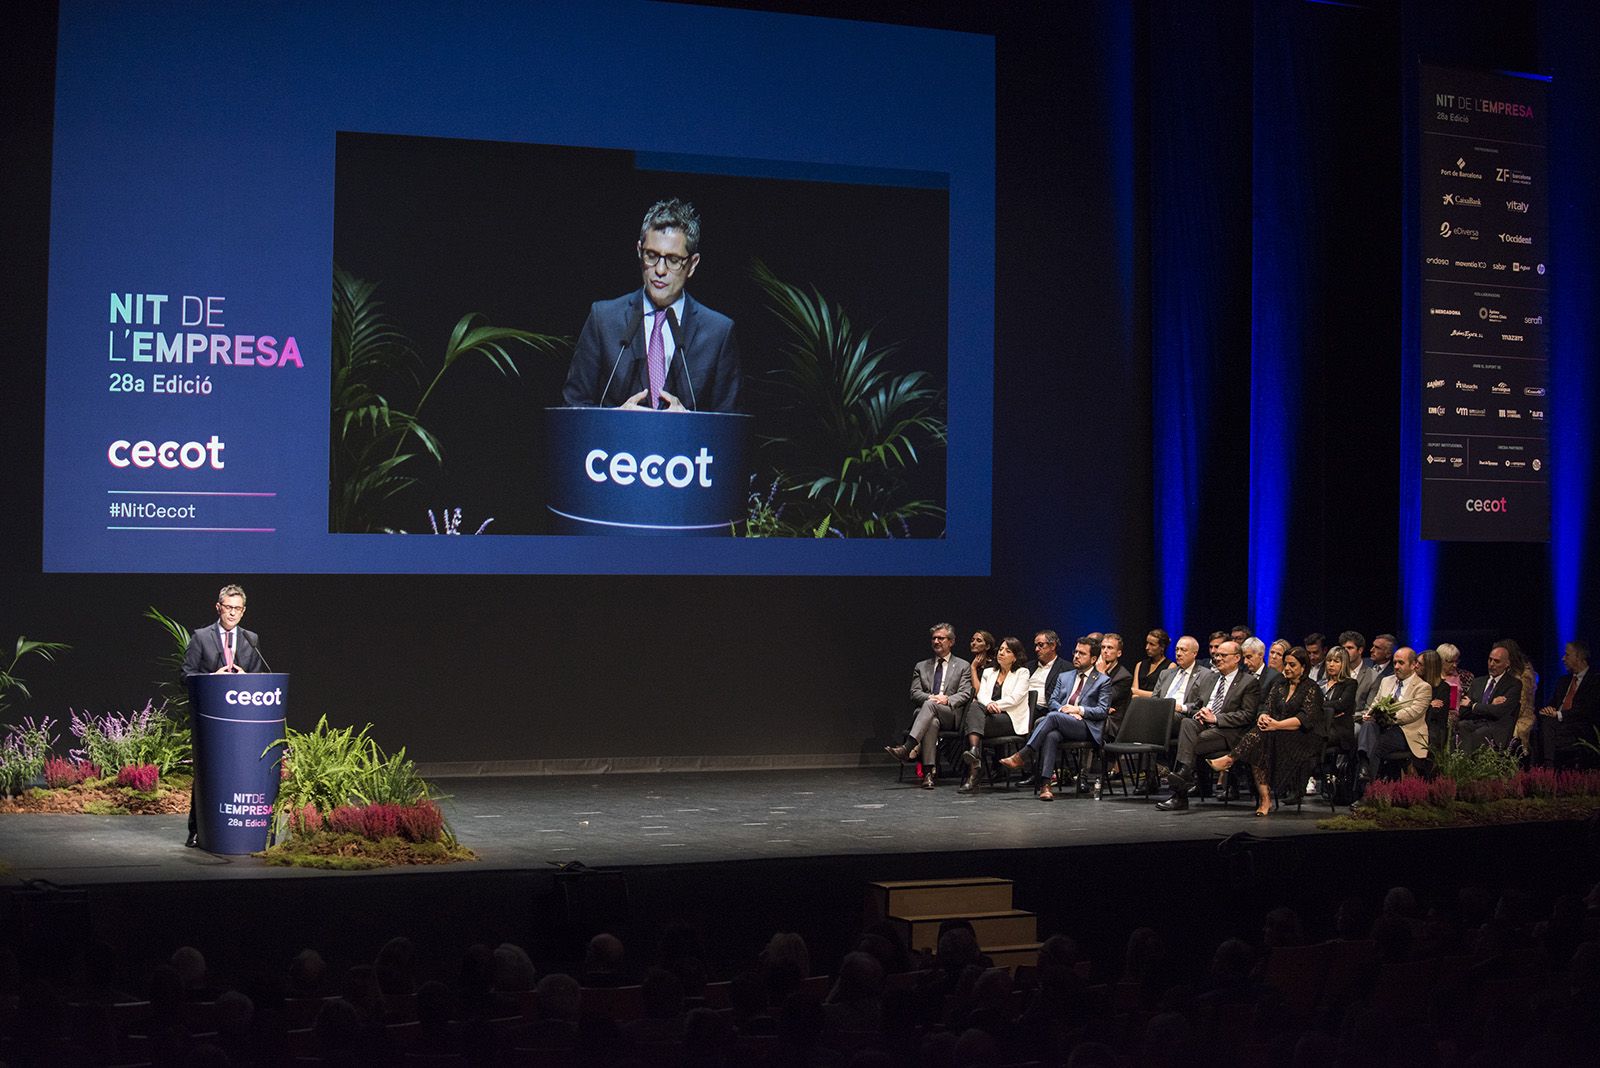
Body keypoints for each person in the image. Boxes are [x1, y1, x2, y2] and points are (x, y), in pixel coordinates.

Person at [561, 198, 741, 412]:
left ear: (692, 265)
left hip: (685, 446)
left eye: (674, 260)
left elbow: (731, 428)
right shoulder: (604, 319)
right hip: (615, 445)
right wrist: (615, 419)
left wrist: (690, 425)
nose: (660, 270)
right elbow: (572, 407)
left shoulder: (718, 333)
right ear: (639, 251)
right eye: (652, 256)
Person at [180, 584, 267, 848]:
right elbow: (185, 675)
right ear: (218, 607)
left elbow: (260, 678)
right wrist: (211, 679)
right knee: (207, 772)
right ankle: (196, 830)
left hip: (242, 722)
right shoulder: (201, 637)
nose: (232, 613)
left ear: (243, 611)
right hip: (211, 720)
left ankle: (232, 827)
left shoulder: (251, 639)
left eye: (237, 609)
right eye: (228, 607)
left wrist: (247, 680)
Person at [1205, 646, 1326, 815]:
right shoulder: (1280, 684)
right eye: (1286, 664)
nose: (1287, 668)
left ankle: (1231, 759)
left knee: (1260, 740)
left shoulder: (1311, 688)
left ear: (1303, 667)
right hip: (1276, 733)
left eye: (1292, 665)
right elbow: (1266, 706)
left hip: (1303, 737)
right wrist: (1263, 716)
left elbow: (1304, 719)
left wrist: (1276, 725)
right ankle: (1265, 799)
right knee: (1259, 746)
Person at [998, 638, 1110, 800]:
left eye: (1082, 653)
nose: (1076, 656)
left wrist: (1078, 710)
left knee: (1051, 718)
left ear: (1093, 659)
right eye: (1076, 652)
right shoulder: (1064, 676)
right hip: (1063, 721)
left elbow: (1102, 711)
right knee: (1051, 735)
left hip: (1085, 727)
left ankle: (1023, 754)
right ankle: (1046, 785)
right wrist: (1065, 711)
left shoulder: (1102, 681)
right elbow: (1053, 701)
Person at [1158, 641, 1262, 811]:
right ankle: (1185, 776)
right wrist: (1198, 712)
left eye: (1223, 655)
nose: (1217, 658)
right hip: (1204, 726)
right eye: (1216, 655)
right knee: (1187, 722)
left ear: (1237, 658)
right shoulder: (1210, 679)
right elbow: (1196, 705)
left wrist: (1215, 718)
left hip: (1228, 733)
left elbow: (1247, 715)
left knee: (1187, 745)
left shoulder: (1248, 682)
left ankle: (1181, 790)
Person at [887, 624, 973, 789]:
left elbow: (965, 693)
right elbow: (914, 693)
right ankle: (928, 774)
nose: (936, 641)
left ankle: (908, 747)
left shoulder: (962, 666)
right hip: (930, 714)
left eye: (940, 638)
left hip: (951, 714)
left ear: (951, 641)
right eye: (934, 638)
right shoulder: (921, 666)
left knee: (928, 708)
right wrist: (932, 698)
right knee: (931, 721)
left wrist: (946, 699)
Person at [960, 638, 1031, 794]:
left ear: (1015, 656)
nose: (1002, 653)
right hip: (990, 717)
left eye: (1008, 651)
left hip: (1010, 719)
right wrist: (989, 705)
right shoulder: (988, 672)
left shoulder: (1022, 673)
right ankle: (974, 754)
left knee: (972, 724)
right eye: (1001, 649)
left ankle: (974, 770)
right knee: (974, 707)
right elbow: (982, 695)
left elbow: (1015, 698)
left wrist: (995, 705)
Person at [1365, 647, 1431, 778]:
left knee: (1378, 745)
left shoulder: (1423, 687)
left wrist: (1388, 717)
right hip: (1382, 725)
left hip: (1406, 731)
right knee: (1364, 729)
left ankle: (1368, 785)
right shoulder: (1386, 681)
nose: (1396, 666)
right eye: (1394, 662)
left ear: (1413, 665)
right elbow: (1376, 702)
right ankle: (1361, 779)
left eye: (1401, 663)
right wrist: (1369, 714)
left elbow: (1412, 713)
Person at [1536, 641, 1597, 768]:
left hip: (1579, 727)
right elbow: (1553, 704)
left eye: (1567, 655)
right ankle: (1548, 766)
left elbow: (1587, 711)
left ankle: (1548, 768)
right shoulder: (1563, 681)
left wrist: (1558, 714)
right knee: (1543, 721)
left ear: (1579, 657)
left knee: (1548, 729)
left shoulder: (1595, 681)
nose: (1563, 659)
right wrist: (1548, 710)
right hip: (1556, 724)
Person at [1457, 642, 1523, 753]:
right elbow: (1463, 710)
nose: (1491, 664)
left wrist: (1473, 705)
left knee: (1478, 734)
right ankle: (1461, 767)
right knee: (1461, 726)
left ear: (1507, 664)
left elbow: (1499, 712)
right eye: (1490, 660)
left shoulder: (1514, 684)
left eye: (1496, 661)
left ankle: (1467, 767)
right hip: (1475, 722)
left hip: (1496, 727)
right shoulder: (1477, 682)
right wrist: (1489, 706)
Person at [1096, 633, 1134, 743]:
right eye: (1103, 647)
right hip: (1096, 715)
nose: (1105, 651)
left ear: (1119, 653)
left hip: (1112, 722)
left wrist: (1102, 674)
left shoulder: (1124, 677)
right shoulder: (1093, 670)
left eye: (1110, 648)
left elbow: (1106, 699)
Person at [1417, 648, 1451, 768]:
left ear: (1429, 667)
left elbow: (1436, 713)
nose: (1415, 666)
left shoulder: (1443, 688)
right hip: (1415, 724)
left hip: (1432, 727)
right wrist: (1429, 704)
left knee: (1433, 735)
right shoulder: (1414, 684)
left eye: (1419, 664)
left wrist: (1425, 705)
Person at [1026, 631, 1068, 713]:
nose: (1036, 649)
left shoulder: (1066, 669)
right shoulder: (1028, 666)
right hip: (1022, 705)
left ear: (1052, 646)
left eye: (1041, 645)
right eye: (1036, 645)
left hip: (1044, 710)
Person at [1130, 629, 1171, 699]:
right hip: (1138, 704)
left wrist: (1138, 692)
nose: (1147, 648)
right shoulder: (1140, 665)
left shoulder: (1170, 666)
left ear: (1162, 647)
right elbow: (1133, 691)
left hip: (1156, 706)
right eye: (1147, 643)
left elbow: (1162, 695)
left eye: (1152, 644)